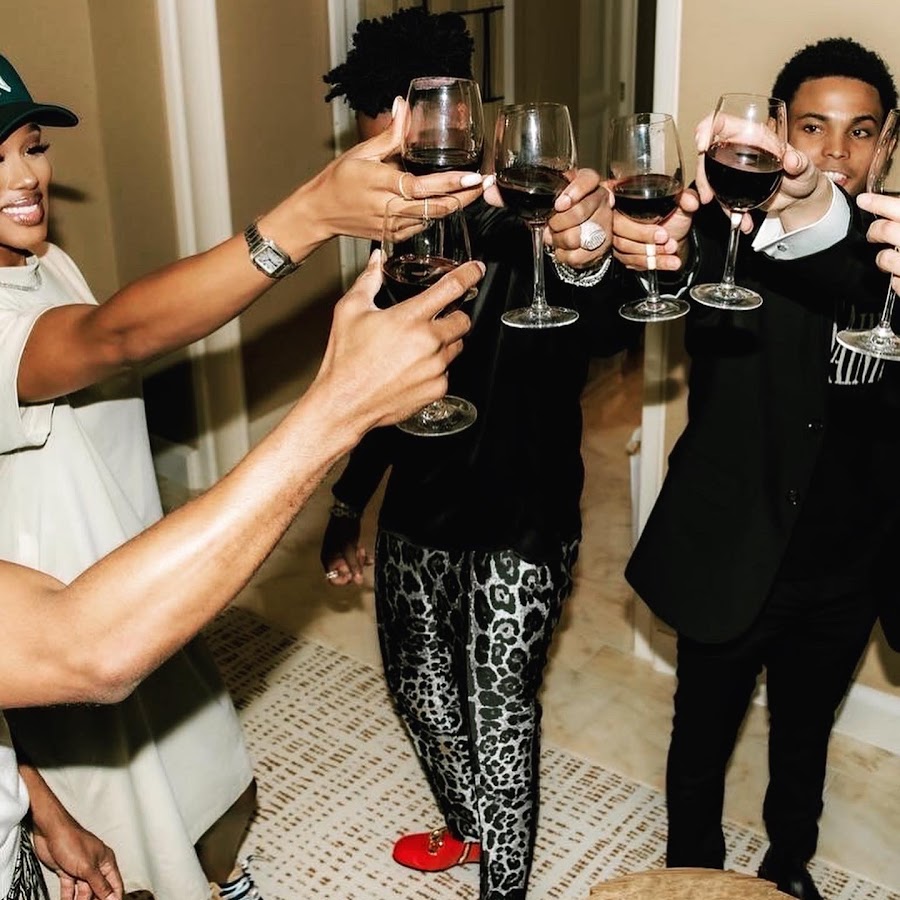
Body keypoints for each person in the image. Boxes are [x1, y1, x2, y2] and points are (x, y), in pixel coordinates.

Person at [0, 52, 483, 900]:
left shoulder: (41, 262)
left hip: (147, 559)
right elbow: (114, 337)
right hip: (68, 604)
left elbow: (116, 329)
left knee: (220, 784)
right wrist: (306, 218)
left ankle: (225, 877)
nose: (24, 178)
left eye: (31, 147)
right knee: (136, 850)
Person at [320, 9, 632, 899]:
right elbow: (376, 392)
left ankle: (506, 886)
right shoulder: (394, 232)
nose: (385, 156)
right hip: (420, 505)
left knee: (497, 716)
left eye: (394, 134)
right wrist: (348, 503)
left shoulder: (533, 207)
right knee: (419, 694)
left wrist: (589, 250)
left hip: (521, 517)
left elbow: (605, 323)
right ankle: (465, 829)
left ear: (445, 118)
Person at [619, 37, 899, 900]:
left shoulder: (897, 253)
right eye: (813, 127)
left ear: (889, 140)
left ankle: (788, 866)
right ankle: (692, 871)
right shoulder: (726, 231)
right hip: (732, 543)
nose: (835, 152)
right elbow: (679, 275)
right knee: (701, 732)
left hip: (848, 562)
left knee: (805, 734)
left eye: (860, 131)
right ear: (778, 129)